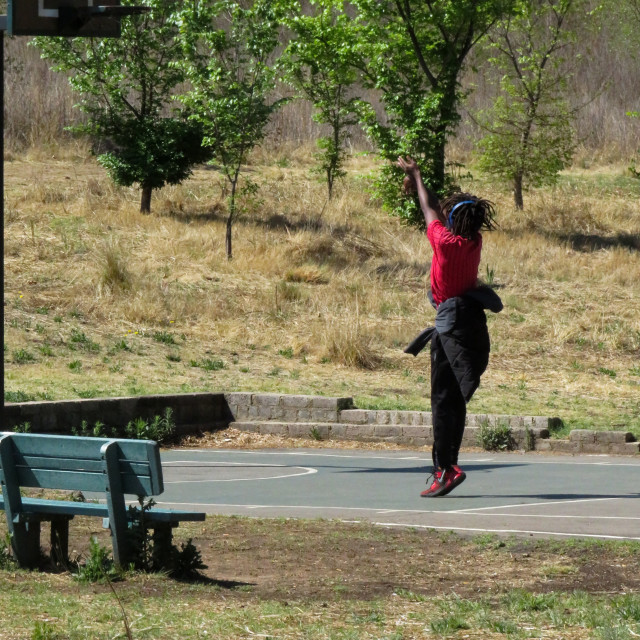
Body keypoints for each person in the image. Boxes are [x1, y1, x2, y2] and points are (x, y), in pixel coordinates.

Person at [397, 156, 502, 498]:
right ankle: (448, 465)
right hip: (471, 323)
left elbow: (429, 210)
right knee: (454, 402)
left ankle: (447, 469)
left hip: (451, 325)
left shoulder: (443, 242)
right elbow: (442, 214)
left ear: (451, 221)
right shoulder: (474, 241)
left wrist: (416, 174)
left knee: (442, 401)